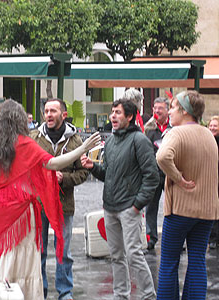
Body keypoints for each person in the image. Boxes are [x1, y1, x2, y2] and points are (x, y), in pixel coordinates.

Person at [0, 99, 100, 300]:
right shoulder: (25, 144)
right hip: (24, 216)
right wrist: (82, 149)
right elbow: (53, 163)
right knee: (25, 260)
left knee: (0, 262)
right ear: (20, 121)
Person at [81, 98, 159, 300]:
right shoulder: (113, 141)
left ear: (130, 116)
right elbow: (108, 174)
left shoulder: (140, 140)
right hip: (110, 207)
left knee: (134, 255)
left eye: (117, 112)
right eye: (112, 112)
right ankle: (120, 295)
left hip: (129, 208)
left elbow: (152, 176)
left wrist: (137, 205)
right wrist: (93, 168)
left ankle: (148, 295)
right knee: (116, 256)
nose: (112, 116)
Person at [156, 91, 219, 299]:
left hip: (180, 209)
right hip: (207, 210)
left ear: (184, 111)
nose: (170, 112)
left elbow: (163, 156)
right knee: (197, 261)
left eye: (173, 107)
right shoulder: (208, 135)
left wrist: (178, 178)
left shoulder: (176, 132)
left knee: (169, 263)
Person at [30, 98, 89, 300]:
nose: (48, 115)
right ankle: (40, 290)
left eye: (53, 111)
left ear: (63, 114)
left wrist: (65, 179)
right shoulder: (34, 138)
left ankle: (65, 292)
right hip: (39, 204)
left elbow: (83, 173)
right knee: (39, 251)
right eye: (46, 111)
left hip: (64, 205)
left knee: (63, 251)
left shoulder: (75, 141)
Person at [143, 97, 171, 251]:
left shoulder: (174, 127)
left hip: (170, 172)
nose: (157, 111)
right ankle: (151, 238)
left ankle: (174, 239)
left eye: (160, 108)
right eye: (155, 108)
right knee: (151, 207)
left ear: (167, 110)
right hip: (154, 173)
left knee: (173, 206)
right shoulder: (149, 128)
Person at [208, 116, 219, 249]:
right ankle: (213, 238)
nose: (212, 128)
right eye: (211, 126)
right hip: (211, 179)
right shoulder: (207, 140)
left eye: (215, 126)